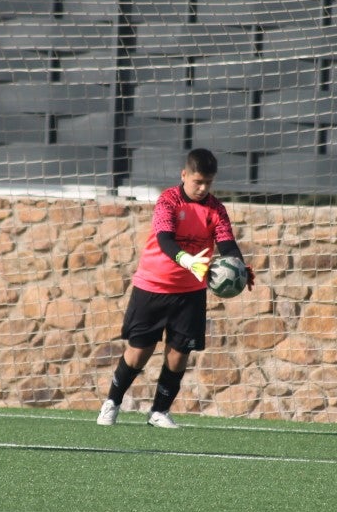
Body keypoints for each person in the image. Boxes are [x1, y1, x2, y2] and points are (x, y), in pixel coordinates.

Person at [97, 148, 254, 429]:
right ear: (184, 175)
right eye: (198, 182)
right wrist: (186, 259)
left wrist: (238, 267)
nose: (203, 188)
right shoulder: (168, 200)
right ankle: (112, 402)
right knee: (139, 352)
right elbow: (165, 239)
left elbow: (227, 243)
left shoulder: (216, 209)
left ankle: (159, 411)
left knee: (179, 353)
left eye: (209, 183)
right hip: (153, 286)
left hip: (190, 292)